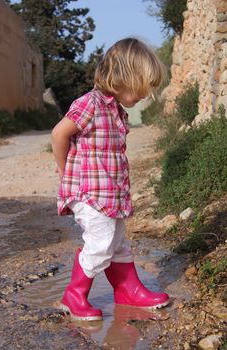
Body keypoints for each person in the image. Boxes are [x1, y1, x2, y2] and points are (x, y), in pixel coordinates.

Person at [51, 37, 170, 321]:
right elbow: (59, 133)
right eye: (143, 88)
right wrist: (64, 167)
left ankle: (128, 290)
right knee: (101, 241)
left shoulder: (117, 111)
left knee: (117, 241)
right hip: (89, 192)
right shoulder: (90, 103)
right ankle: (74, 295)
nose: (146, 95)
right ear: (123, 77)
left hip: (110, 193)